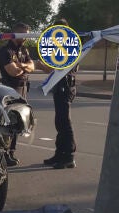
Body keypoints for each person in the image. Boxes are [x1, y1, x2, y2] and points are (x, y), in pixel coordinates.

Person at [38, 19, 77, 169]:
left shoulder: (70, 45)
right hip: (61, 86)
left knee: (64, 122)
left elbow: (55, 66)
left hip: (65, 86)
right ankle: (60, 153)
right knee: (60, 121)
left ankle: (68, 156)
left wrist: (40, 65)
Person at [0, 22, 35, 166]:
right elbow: (12, 71)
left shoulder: (24, 50)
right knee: (9, 123)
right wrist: (24, 67)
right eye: (24, 35)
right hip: (10, 89)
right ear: (17, 33)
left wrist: (22, 66)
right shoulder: (6, 51)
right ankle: (4, 154)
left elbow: (32, 67)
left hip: (23, 88)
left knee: (19, 122)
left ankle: (11, 152)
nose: (26, 38)